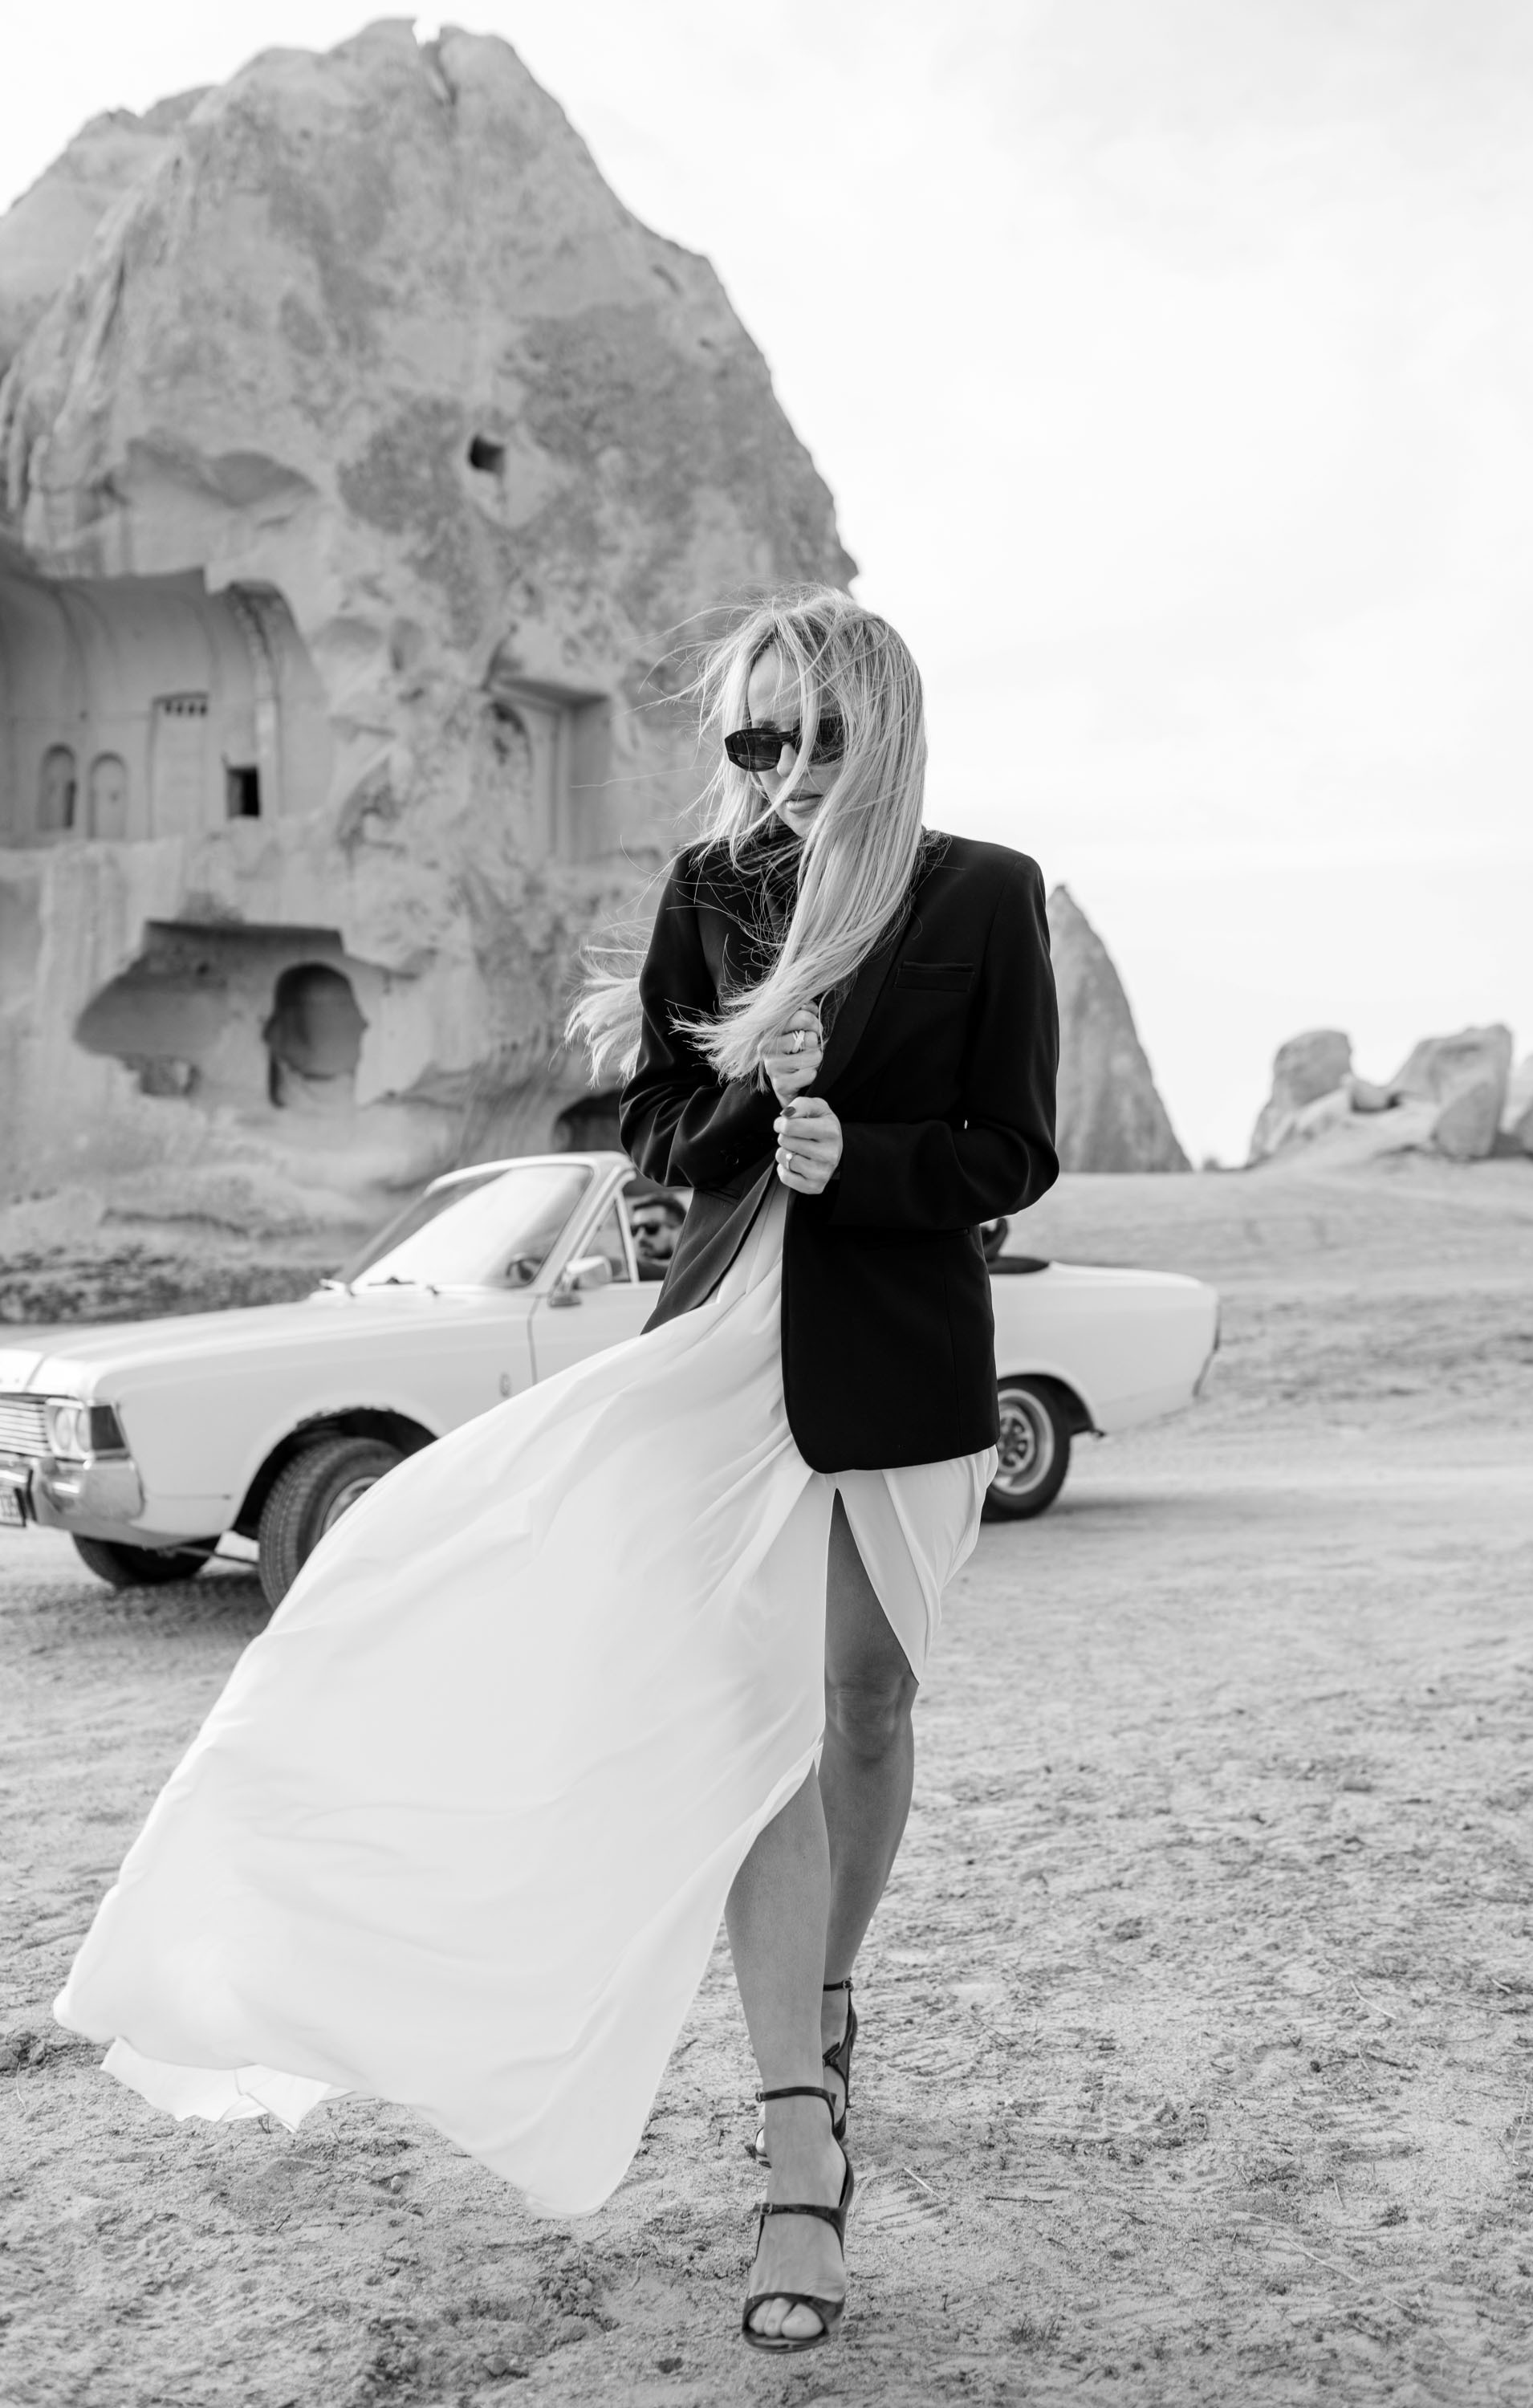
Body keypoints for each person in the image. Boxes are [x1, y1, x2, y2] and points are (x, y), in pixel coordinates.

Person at [53, 586, 1059, 2358]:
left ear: (874, 729)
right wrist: (759, 1101)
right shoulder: (710, 889)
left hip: (897, 1357)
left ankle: (819, 2002)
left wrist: (873, 1154)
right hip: (713, 1354)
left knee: (870, 1708)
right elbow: (655, 1128)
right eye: (750, 739)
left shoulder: (984, 891)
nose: (776, 773)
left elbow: (1015, 1149)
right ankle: (793, 2150)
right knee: (757, 1732)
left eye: (808, 737)